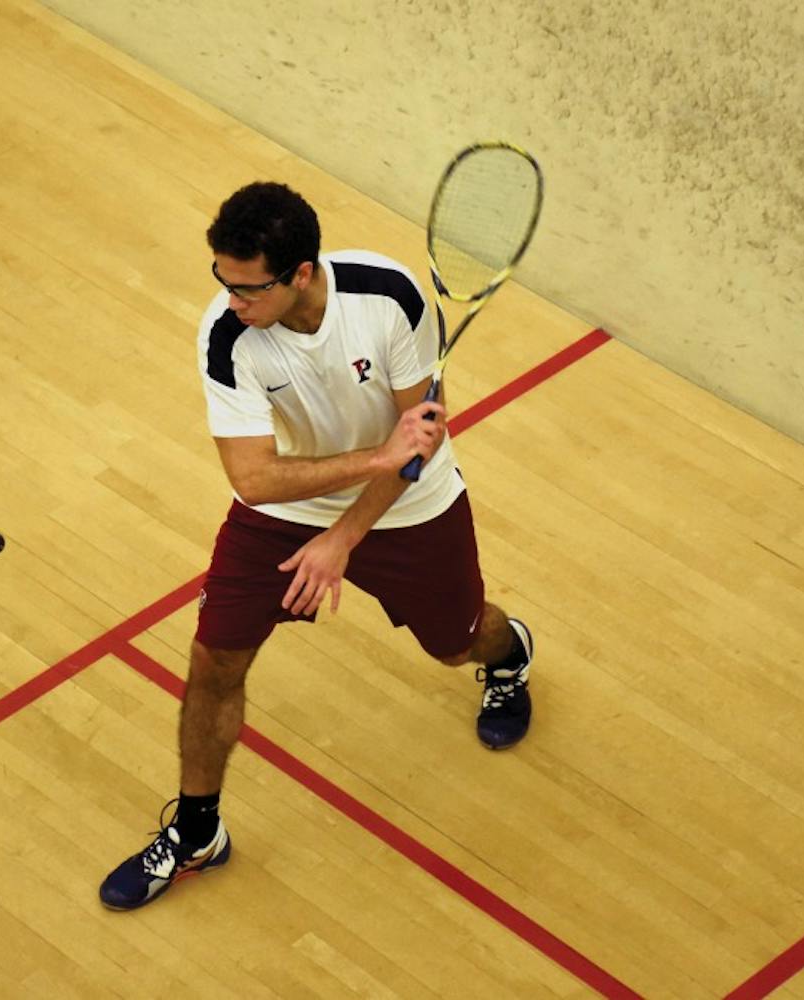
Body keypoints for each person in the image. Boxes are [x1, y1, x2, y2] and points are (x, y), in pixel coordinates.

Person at [99, 182, 535, 910]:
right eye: (223, 281)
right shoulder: (226, 335)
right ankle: (198, 831)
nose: (231, 300)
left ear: (301, 272)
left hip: (412, 506)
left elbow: (418, 450)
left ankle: (509, 653)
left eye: (249, 287)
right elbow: (255, 477)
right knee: (214, 661)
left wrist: (346, 535)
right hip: (286, 506)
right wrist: (364, 468)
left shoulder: (388, 298)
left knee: (457, 646)